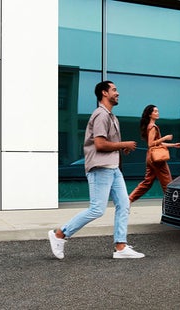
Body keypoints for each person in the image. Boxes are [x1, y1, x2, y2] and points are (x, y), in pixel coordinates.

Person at [48, 81, 145, 259]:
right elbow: (100, 144)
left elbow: (108, 143)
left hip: (114, 169)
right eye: (114, 90)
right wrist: (123, 144)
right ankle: (59, 234)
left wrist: (119, 148)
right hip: (100, 169)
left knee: (124, 204)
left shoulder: (111, 117)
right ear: (104, 93)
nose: (118, 93)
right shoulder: (100, 115)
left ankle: (121, 246)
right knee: (97, 209)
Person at [128, 104, 180, 202]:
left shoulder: (150, 126)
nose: (158, 113)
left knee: (147, 182)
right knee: (167, 183)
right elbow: (151, 143)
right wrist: (165, 137)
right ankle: (172, 205)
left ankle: (128, 200)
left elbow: (158, 143)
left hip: (151, 157)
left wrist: (173, 145)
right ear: (150, 114)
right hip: (157, 159)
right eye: (155, 111)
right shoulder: (153, 127)